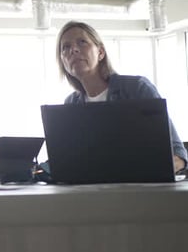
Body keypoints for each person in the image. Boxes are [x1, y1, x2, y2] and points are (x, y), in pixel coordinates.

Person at [55, 20, 187, 173]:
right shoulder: (71, 104)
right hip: (91, 191)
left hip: (139, 189)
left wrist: (149, 169)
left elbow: (178, 153)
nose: (74, 50)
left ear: (101, 53)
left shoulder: (137, 88)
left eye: (82, 42)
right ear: (62, 60)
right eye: (66, 47)